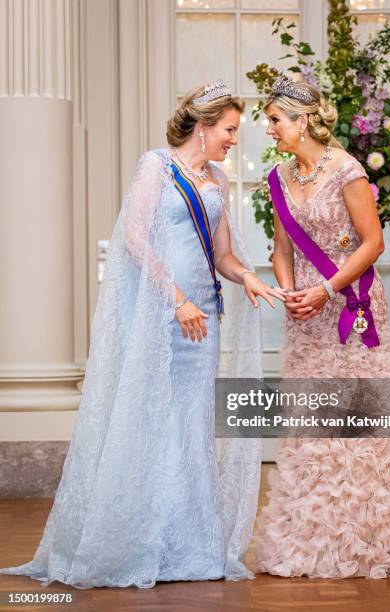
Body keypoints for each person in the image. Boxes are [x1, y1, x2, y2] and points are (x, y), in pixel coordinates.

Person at [0, 79, 286, 589]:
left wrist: (248, 279)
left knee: (192, 427)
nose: (233, 139)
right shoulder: (156, 165)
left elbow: (221, 255)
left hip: (204, 322)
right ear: (202, 128)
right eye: (228, 129)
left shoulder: (217, 181)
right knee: (150, 421)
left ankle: (192, 548)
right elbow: (134, 239)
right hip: (162, 315)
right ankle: (138, 540)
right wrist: (176, 300)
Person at [249, 76, 390, 579]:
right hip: (306, 314)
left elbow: (372, 243)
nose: (270, 128)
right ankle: (313, 537)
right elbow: (281, 251)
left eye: (276, 119)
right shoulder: (279, 178)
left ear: (302, 121)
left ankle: (385, 534)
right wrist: (288, 294)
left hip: (352, 305)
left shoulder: (347, 170)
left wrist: (325, 290)